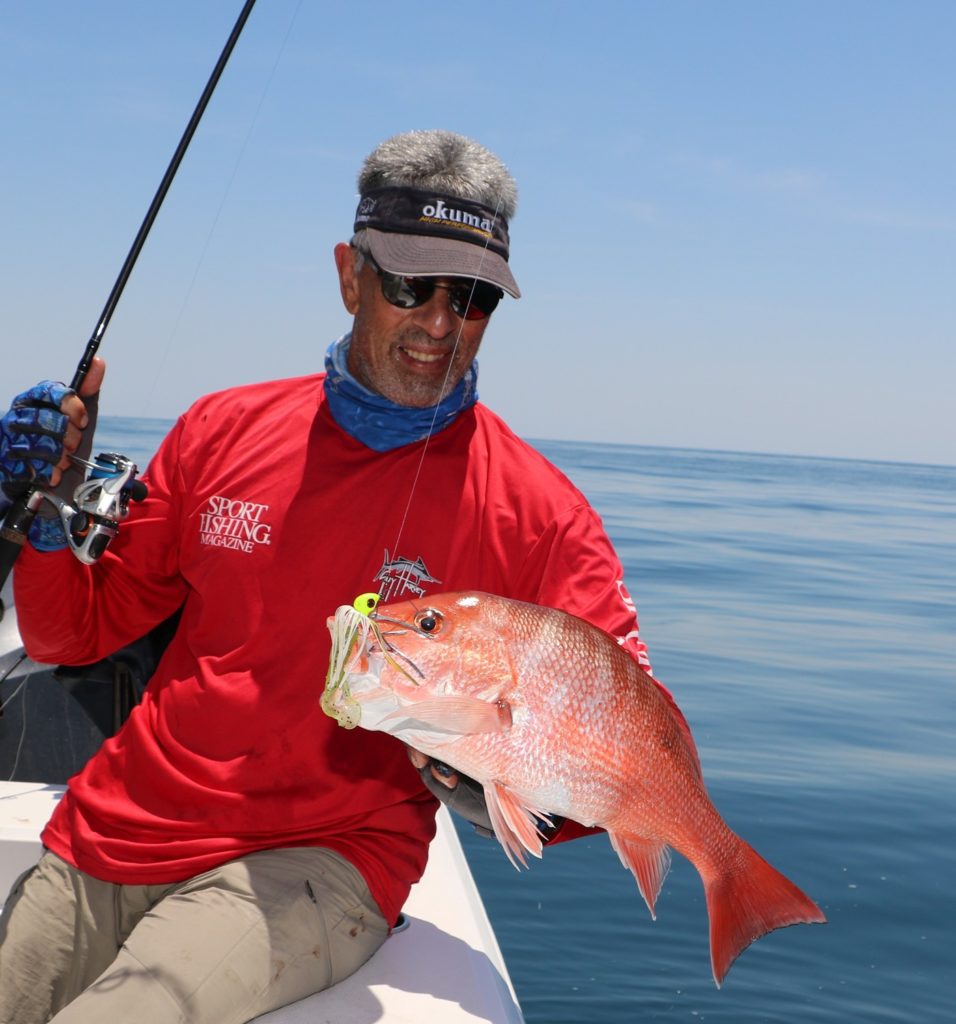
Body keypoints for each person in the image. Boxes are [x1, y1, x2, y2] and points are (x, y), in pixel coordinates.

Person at [0, 129, 654, 1024]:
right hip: (115, 825)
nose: (437, 321)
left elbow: (623, 744)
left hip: (322, 860)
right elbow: (69, 635)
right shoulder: (218, 429)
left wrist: (490, 788)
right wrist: (44, 508)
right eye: (408, 285)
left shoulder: (544, 517)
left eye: (470, 299)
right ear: (351, 274)